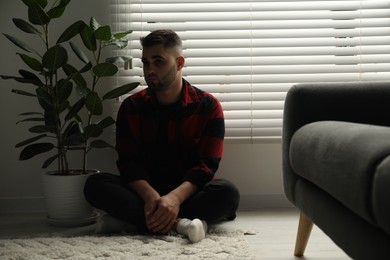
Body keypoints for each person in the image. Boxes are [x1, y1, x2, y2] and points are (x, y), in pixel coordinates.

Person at [84, 29, 240, 243]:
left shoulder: (208, 106)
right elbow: (129, 163)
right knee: (95, 184)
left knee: (228, 193)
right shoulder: (132, 107)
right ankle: (182, 225)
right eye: (146, 62)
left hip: (187, 194)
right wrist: (151, 198)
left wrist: (174, 199)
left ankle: (134, 222)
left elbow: (206, 166)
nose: (150, 69)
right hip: (143, 193)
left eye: (158, 61)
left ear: (179, 63)